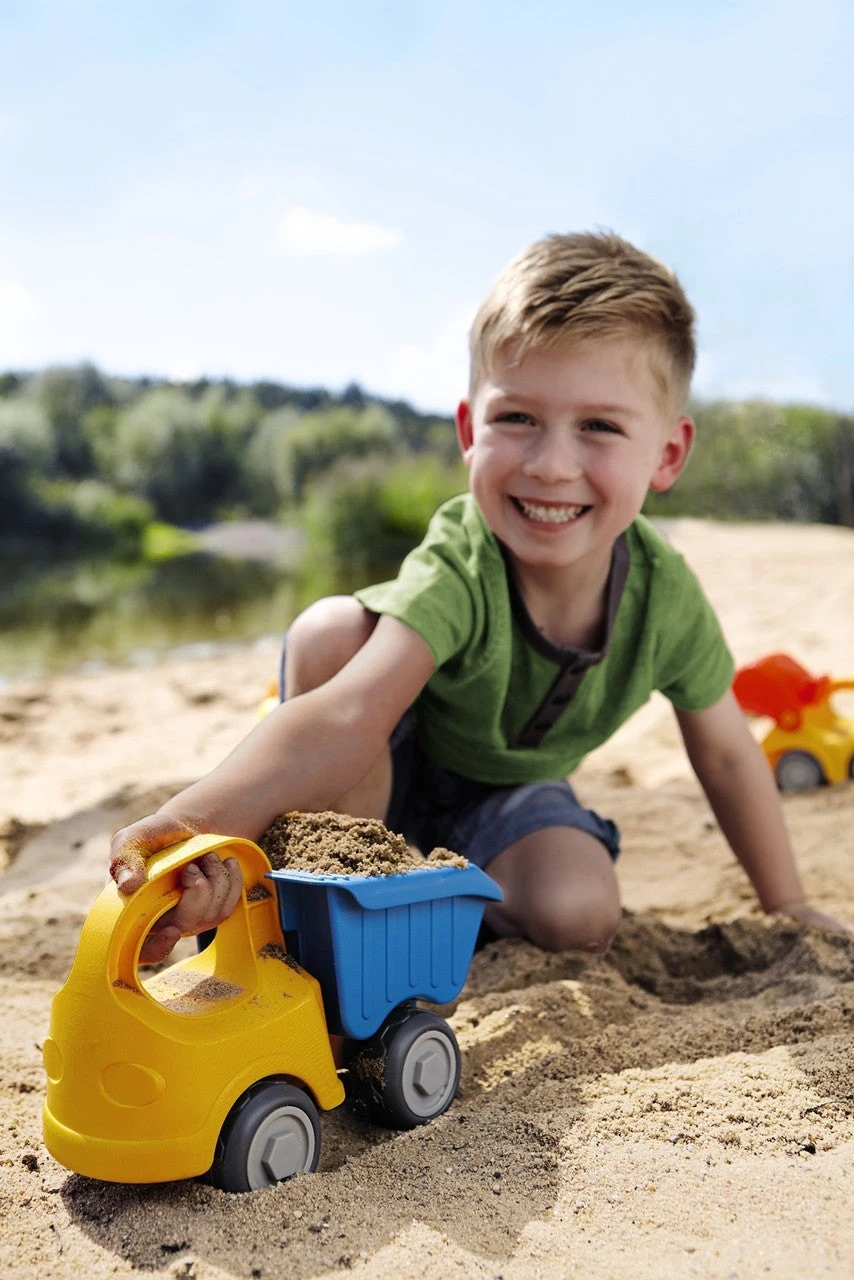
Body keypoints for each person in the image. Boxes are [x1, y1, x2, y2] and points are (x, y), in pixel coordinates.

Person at [111, 230, 851, 964]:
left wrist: (786, 905)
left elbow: (726, 754)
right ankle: (311, 895)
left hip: (506, 797)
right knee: (331, 634)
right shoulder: (464, 559)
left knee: (582, 914)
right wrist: (185, 824)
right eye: (517, 418)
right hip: (374, 774)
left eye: (599, 426)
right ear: (470, 429)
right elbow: (351, 714)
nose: (552, 464)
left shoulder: (664, 597)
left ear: (667, 453)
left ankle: (431, 894)